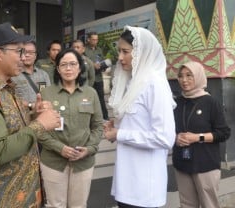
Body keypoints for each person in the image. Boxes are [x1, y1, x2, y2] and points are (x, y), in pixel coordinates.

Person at [0, 22, 61, 208]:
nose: (23, 58)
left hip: (22, 196)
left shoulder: (7, 88)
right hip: (0, 199)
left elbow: (13, 129)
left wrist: (34, 116)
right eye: (18, 51)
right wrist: (40, 125)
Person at [103, 26, 176, 207]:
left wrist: (120, 134)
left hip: (145, 188)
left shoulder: (155, 84)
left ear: (143, 52)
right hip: (126, 183)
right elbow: (137, 124)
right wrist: (117, 127)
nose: (120, 58)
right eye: (119, 51)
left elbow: (165, 138)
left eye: (126, 51)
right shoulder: (133, 82)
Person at [39, 48, 103, 208]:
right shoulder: (46, 93)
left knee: (79, 205)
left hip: (83, 162)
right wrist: (59, 148)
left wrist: (89, 149)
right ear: (58, 69)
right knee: (55, 205)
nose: (68, 68)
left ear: (80, 68)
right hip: (53, 162)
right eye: (64, 65)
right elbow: (39, 129)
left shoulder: (91, 93)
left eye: (73, 64)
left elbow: (97, 126)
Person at [173, 61, 231, 208]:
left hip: (206, 164)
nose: (184, 80)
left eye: (189, 75)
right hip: (182, 163)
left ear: (198, 76)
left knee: (209, 204)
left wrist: (198, 137)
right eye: (180, 76)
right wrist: (175, 138)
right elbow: (167, 129)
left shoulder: (211, 102)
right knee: (186, 204)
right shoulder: (176, 103)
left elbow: (223, 133)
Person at [84, 31, 109, 120]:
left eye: (96, 40)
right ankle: (91, 120)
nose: (95, 41)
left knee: (101, 100)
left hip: (98, 79)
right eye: (93, 40)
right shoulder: (84, 50)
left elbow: (102, 60)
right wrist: (92, 65)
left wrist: (104, 66)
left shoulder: (99, 50)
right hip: (89, 80)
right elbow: (83, 64)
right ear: (88, 40)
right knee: (89, 100)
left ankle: (105, 119)